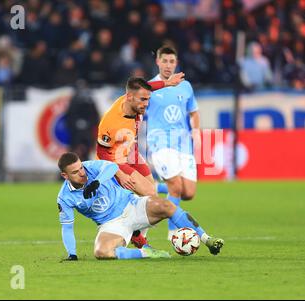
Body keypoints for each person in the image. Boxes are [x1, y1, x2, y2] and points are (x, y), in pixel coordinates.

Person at [56, 152, 224, 260]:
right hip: (110, 224)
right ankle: (146, 252)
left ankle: (207, 239)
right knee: (102, 252)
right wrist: (72, 254)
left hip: (132, 205)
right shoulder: (64, 198)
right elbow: (67, 227)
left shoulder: (89, 167)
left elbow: (112, 166)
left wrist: (97, 182)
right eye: (75, 172)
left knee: (166, 206)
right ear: (65, 176)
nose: (82, 173)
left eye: (81, 168)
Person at [96, 75, 184, 247]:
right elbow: (102, 154)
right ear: (129, 97)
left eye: (148, 99)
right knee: (150, 195)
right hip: (115, 160)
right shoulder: (111, 122)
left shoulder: (132, 98)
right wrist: (119, 174)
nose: (146, 103)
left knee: (151, 195)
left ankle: (137, 234)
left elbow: (146, 87)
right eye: (143, 100)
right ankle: (135, 235)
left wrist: (167, 83)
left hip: (130, 150)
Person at [144, 46, 201, 240]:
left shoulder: (185, 86)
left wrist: (196, 131)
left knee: (189, 193)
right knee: (176, 186)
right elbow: (137, 109)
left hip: (184, 144)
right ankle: (174, 232)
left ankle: (151, 186)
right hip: (160, 143)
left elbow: (193, 111)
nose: (168, 65)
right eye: (164, 61)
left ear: (176, 63)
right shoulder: (149, 88)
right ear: (157, 62)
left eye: (172, 61)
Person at [65, 79, 100, 161]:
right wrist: (76, 124)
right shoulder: (73, 101)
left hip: (87, 134)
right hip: (75, 134)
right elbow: (69, 118)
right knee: (72, 158)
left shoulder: (90, 102)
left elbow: (96, 118)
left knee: (85, 156)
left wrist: (87, 124)